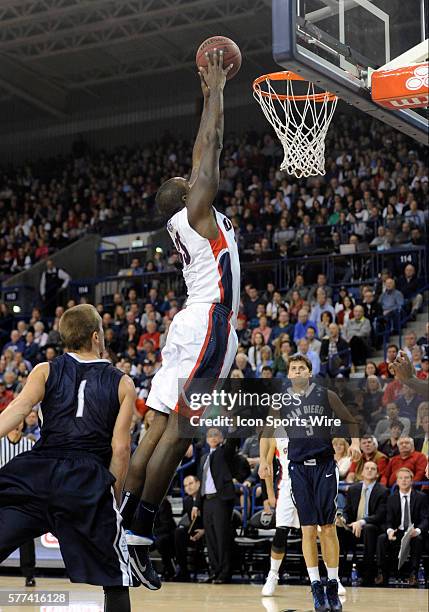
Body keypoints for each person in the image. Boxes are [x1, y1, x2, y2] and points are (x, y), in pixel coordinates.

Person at [119, 50, 240, 590]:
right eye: (186, 180)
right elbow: (207, 151)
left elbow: (200, 161)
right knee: (181, 433)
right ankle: (138, 532)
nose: (189, 177)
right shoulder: (195, 212)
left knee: (158, 433)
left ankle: (124, 527)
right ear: (185, 195)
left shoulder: (189, 222)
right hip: (209, 323)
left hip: (189, 326)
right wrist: (214, 91)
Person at [0, 304, 136, 612]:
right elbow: (120, 449)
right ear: (96, 337)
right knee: (116, 577)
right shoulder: (122, 382)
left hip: (39, 472)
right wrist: (110, 494)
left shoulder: (44, 370)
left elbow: (18, 410)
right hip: (86, 478)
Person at [260, 355, 361, 612]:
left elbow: (349, 419)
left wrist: (356, 443)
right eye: (292, 368)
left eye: (301, 368)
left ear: (309, 372)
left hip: (325, 466)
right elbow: (267, 431)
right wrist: (263, 461)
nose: (296, 371)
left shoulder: (325, 395)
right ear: (290, 374)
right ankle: (316, 585)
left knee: (327, 527)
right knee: (307, 529)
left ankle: (333, 583)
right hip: (298, 469)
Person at [193, 428, 239, 584]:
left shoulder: (223, 453)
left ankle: (224, 573)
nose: (212, 437)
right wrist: (196, 504)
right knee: (210, 538)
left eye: (216, 435)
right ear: (206, 439)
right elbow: (201, 482)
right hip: (206, 501)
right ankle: (214, 571)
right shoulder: (203, 457)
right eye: (210, 435)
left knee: (221, 537)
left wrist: (233, 426)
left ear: (221, 438)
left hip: (220, 499)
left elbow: (232, 442)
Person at [260, 434, 300, 597]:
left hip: (310, 484)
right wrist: (269, 493)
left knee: (317, 531)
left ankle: (331, 579)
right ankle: (273, 575)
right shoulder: (277, 432)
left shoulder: (308, 425)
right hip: (286, 485)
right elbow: (267, 464)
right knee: (281, 531)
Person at [337, 461, 388, 586]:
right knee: (337, 528)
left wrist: (361, 522)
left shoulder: (382, 491)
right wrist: (343, 518)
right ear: (362, 472)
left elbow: (380, 515)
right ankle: (338, 573)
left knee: (369, 529)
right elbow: (347, 511)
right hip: (352, 526)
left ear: (377, 474)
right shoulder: (354, 489)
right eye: (367, 468)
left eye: (373, 469)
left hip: (372, 527)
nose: (370, 470)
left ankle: (368, 576)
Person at [376, 468, 429, 586]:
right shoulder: (391, 498)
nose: (403, 480)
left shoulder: (421, 497)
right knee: (381, 539)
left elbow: (425, 519)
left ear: (412, 480)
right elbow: (388, 520)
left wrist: (418, 530)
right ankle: (382, 573)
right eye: (400, 478)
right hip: (397, 531)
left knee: (418, 540)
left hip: (413, 532)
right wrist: (389, 531)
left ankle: (413, 574)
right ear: (397, 481)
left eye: (406, 478)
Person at [0, 420, 36, 586]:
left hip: (22, 496)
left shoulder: (29, 444)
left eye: (19, 422)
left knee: (26, 536)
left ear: (22, 424)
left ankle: (29, 574)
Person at [173, 475, 204, 581]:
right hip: (195, 531)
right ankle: (183, 570)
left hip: (208, 531)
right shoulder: (187, 500)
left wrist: (204, 531)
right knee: (179, 533)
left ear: (198, 483)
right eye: (185, 486)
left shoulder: (207, 498)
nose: (188, 487)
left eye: (191, 484)